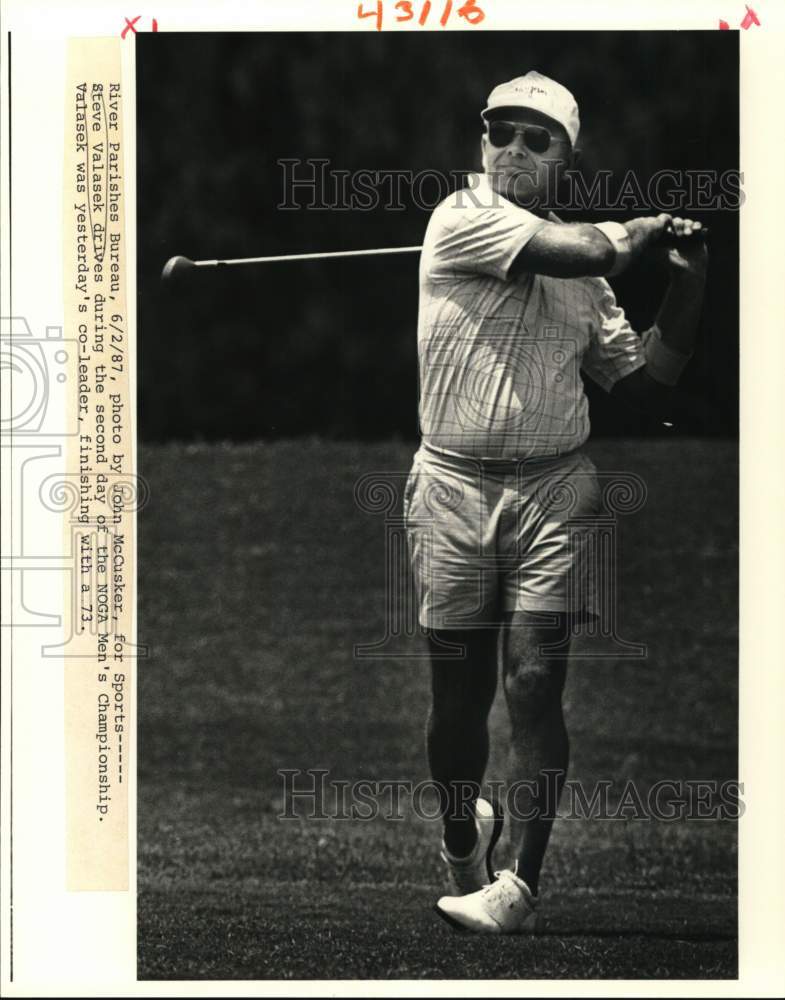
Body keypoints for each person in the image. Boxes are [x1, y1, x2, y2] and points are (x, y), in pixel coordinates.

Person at [403, 71, 708, 934]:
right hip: (453, 487)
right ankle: (462, 843)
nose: (514, 150)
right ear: (481, 141)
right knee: (456, 702)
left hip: (553, 488)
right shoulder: (461, 218)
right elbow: (585, 251)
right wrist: (637, 230)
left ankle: (518, 887)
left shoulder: (581, 271)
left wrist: (688, 280)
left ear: (566, 158)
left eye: (538, 140)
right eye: (501, 132)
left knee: (535, 679)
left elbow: (648, 382)